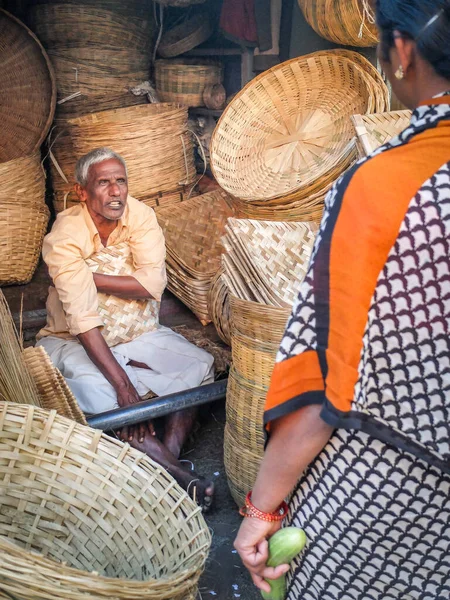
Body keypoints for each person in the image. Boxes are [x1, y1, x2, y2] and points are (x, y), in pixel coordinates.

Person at [234, 1, 450, 597]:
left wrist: (262, 508)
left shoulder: (385, 188)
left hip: (394, 501)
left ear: (402, 51)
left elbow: (325, 380)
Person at [37, 147, 215, 510]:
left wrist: (87, 275)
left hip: (138, 332)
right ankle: (182, 478)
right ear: (82, 192)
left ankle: (168, 459)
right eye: (104, 183)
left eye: (121, 181)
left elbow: (151, 284)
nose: (116, 191)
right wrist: (123, 385)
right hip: (70, 338)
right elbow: (83, 319)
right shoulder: (65, 234)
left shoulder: (141, 215)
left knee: (198, 365)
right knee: (99, 391)